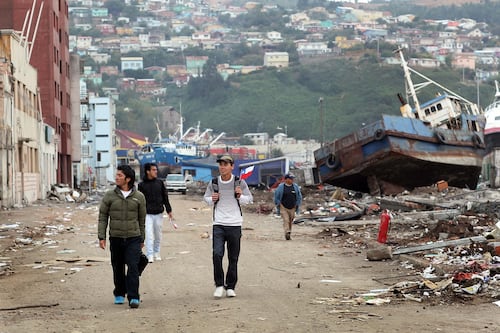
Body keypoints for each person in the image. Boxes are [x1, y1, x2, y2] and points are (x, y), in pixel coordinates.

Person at [203, 155, 253, 298]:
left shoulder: (239, 182)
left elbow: (249, 199)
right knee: (217, 254)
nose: (222, 167)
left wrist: (240, 196)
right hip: (218, 224)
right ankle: (219, 285)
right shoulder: (213, 183)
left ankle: (230, 286)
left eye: (226, 164)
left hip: (235, 224)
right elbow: (206, 198)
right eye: (220, 164)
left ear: (232, 166)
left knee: (233, 257)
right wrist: (211, 199)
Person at [98, 165, 146, 309]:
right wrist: (101, 236)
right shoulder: (109, 196)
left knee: (133, 267)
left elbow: (142, 219)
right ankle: (119, 292)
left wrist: (142, 239)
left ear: (128, 179)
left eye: (119, 175)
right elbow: (103, 216)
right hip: (116, 237)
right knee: (117, 267)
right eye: (116, 175)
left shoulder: (139, 197)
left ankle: (134, 297)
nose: (116, 177)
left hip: (133, 237)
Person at [138, 163, 173, 263]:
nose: (156, 171)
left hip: (158, 213)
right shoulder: (141, 185)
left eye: (156, 170)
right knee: (149, 234)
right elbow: (139, 201)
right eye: (153, 170)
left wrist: (169, 210)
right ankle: (150, 255)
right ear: (148, 171)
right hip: (147, 214)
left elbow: (165, 197)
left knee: (157, 234)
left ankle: (156, 252)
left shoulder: (160, 183)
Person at [274, 173, 302, 240]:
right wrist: (278, 203)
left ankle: (289, 232)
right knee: (286, 220)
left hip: (293, 207)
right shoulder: (281, 187)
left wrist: (297, 204)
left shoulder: (295, 187)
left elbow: (299, 196)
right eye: (291, 179)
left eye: (292, 179)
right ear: (286, 179)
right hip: (283, 206)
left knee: (290, 220)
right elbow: (276, 196)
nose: (292, 180)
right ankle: (287, 231)